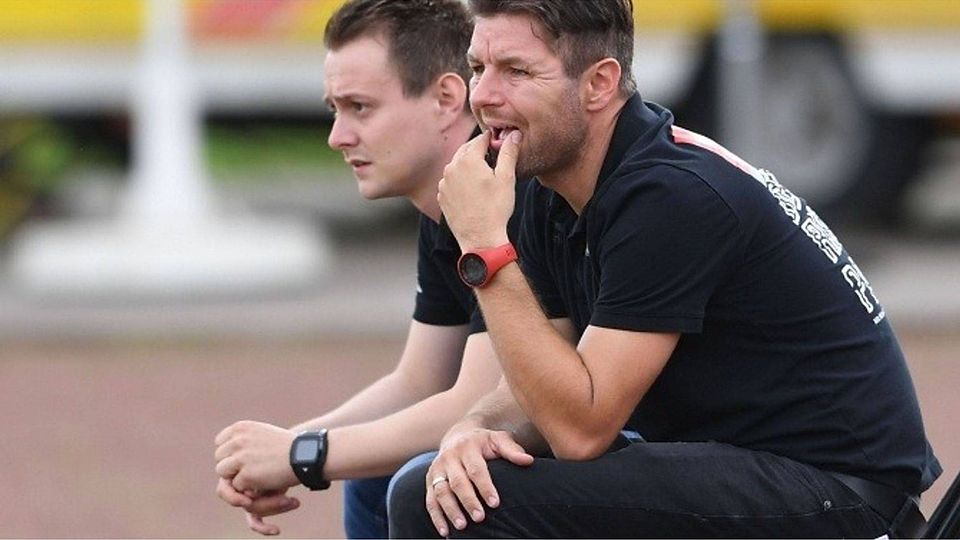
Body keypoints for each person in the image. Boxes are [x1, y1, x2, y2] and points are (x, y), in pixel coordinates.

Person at [387, 0, 942, 538]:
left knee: (452, 506)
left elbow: (580, 430)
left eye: (516, 71)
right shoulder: (546, 186)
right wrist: (473, 428)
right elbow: (542, 382)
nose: (481, 96)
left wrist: (485, 246)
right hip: (727, 462)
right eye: (478, 67)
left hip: (837, 495)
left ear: (599, 84)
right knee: (436, 480)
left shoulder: (668, 196)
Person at [213, 1, 527, 537]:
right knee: (380, 478)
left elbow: (473, 402)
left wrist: (301, 454)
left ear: (447, 98)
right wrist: (288, 443)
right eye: (336, 109)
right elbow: (419, 380)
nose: (337, 136)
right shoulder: (442, 210)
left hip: (656, 444)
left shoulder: (506, 197)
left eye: (360, 107)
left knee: (413, 479)